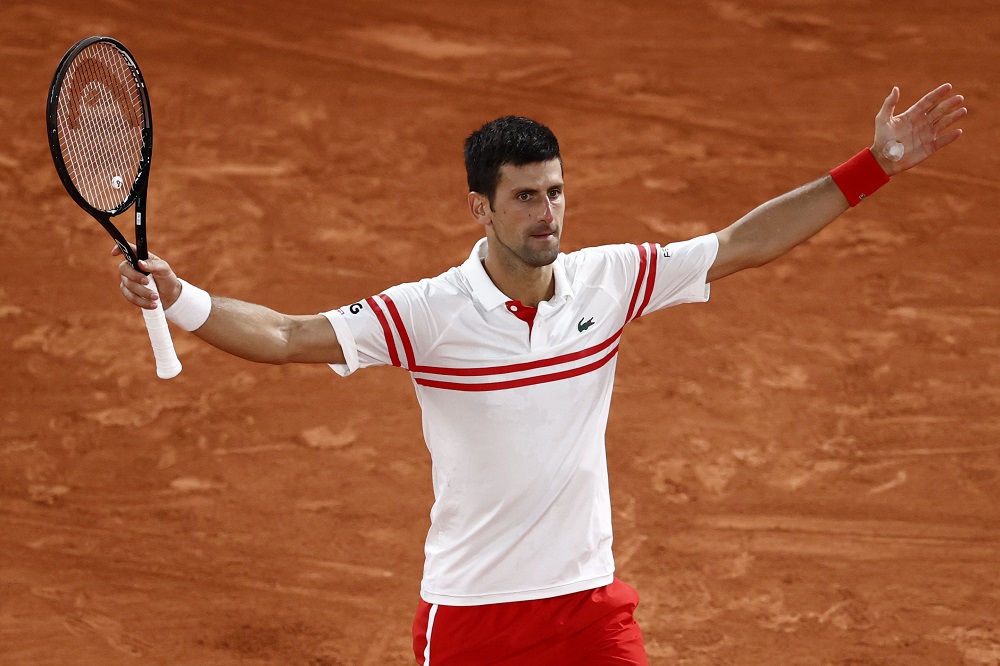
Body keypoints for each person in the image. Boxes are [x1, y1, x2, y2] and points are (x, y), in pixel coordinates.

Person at [115, 84, 965, 665]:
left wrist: (874, 166)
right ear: (480, 208)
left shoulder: (612, 279)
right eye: (525, 198)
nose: (547, 214)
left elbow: (742, 243)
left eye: (555, 193)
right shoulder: (430, 314)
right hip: (472, 620)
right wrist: (182, 296)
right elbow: (290, 335)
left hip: (589, 608)